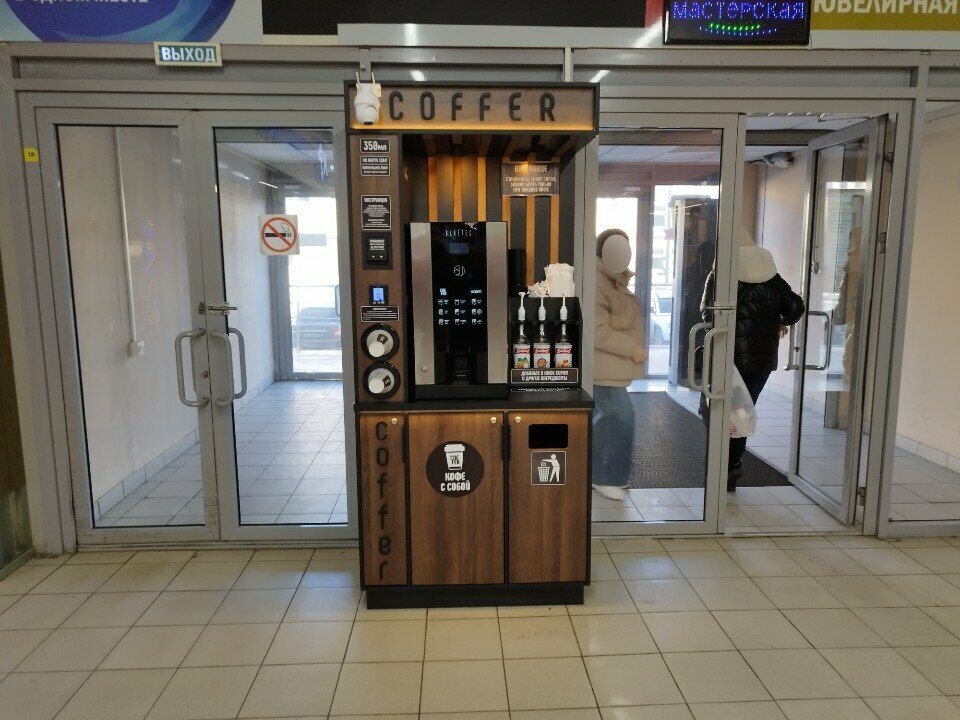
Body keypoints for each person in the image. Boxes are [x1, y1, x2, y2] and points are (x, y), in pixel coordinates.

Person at [701, 228, 805, 491]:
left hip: (728, 356)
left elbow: (707, 313)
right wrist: (779, 321)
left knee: (714, 408)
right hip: (761, 359)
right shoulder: (770, 273)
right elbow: (796, 306)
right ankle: (733, 463)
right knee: (742, 410)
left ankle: (719, 464)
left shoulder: (721, 272)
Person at [592, 229, 647, 501]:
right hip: (602, 368)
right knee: (621, 418)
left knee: (605, 419)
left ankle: (600, 474)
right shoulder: (597, 281)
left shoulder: (614, 279)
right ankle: (605, 477)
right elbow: (597, 330)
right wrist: (632, 348)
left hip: (609, 367)